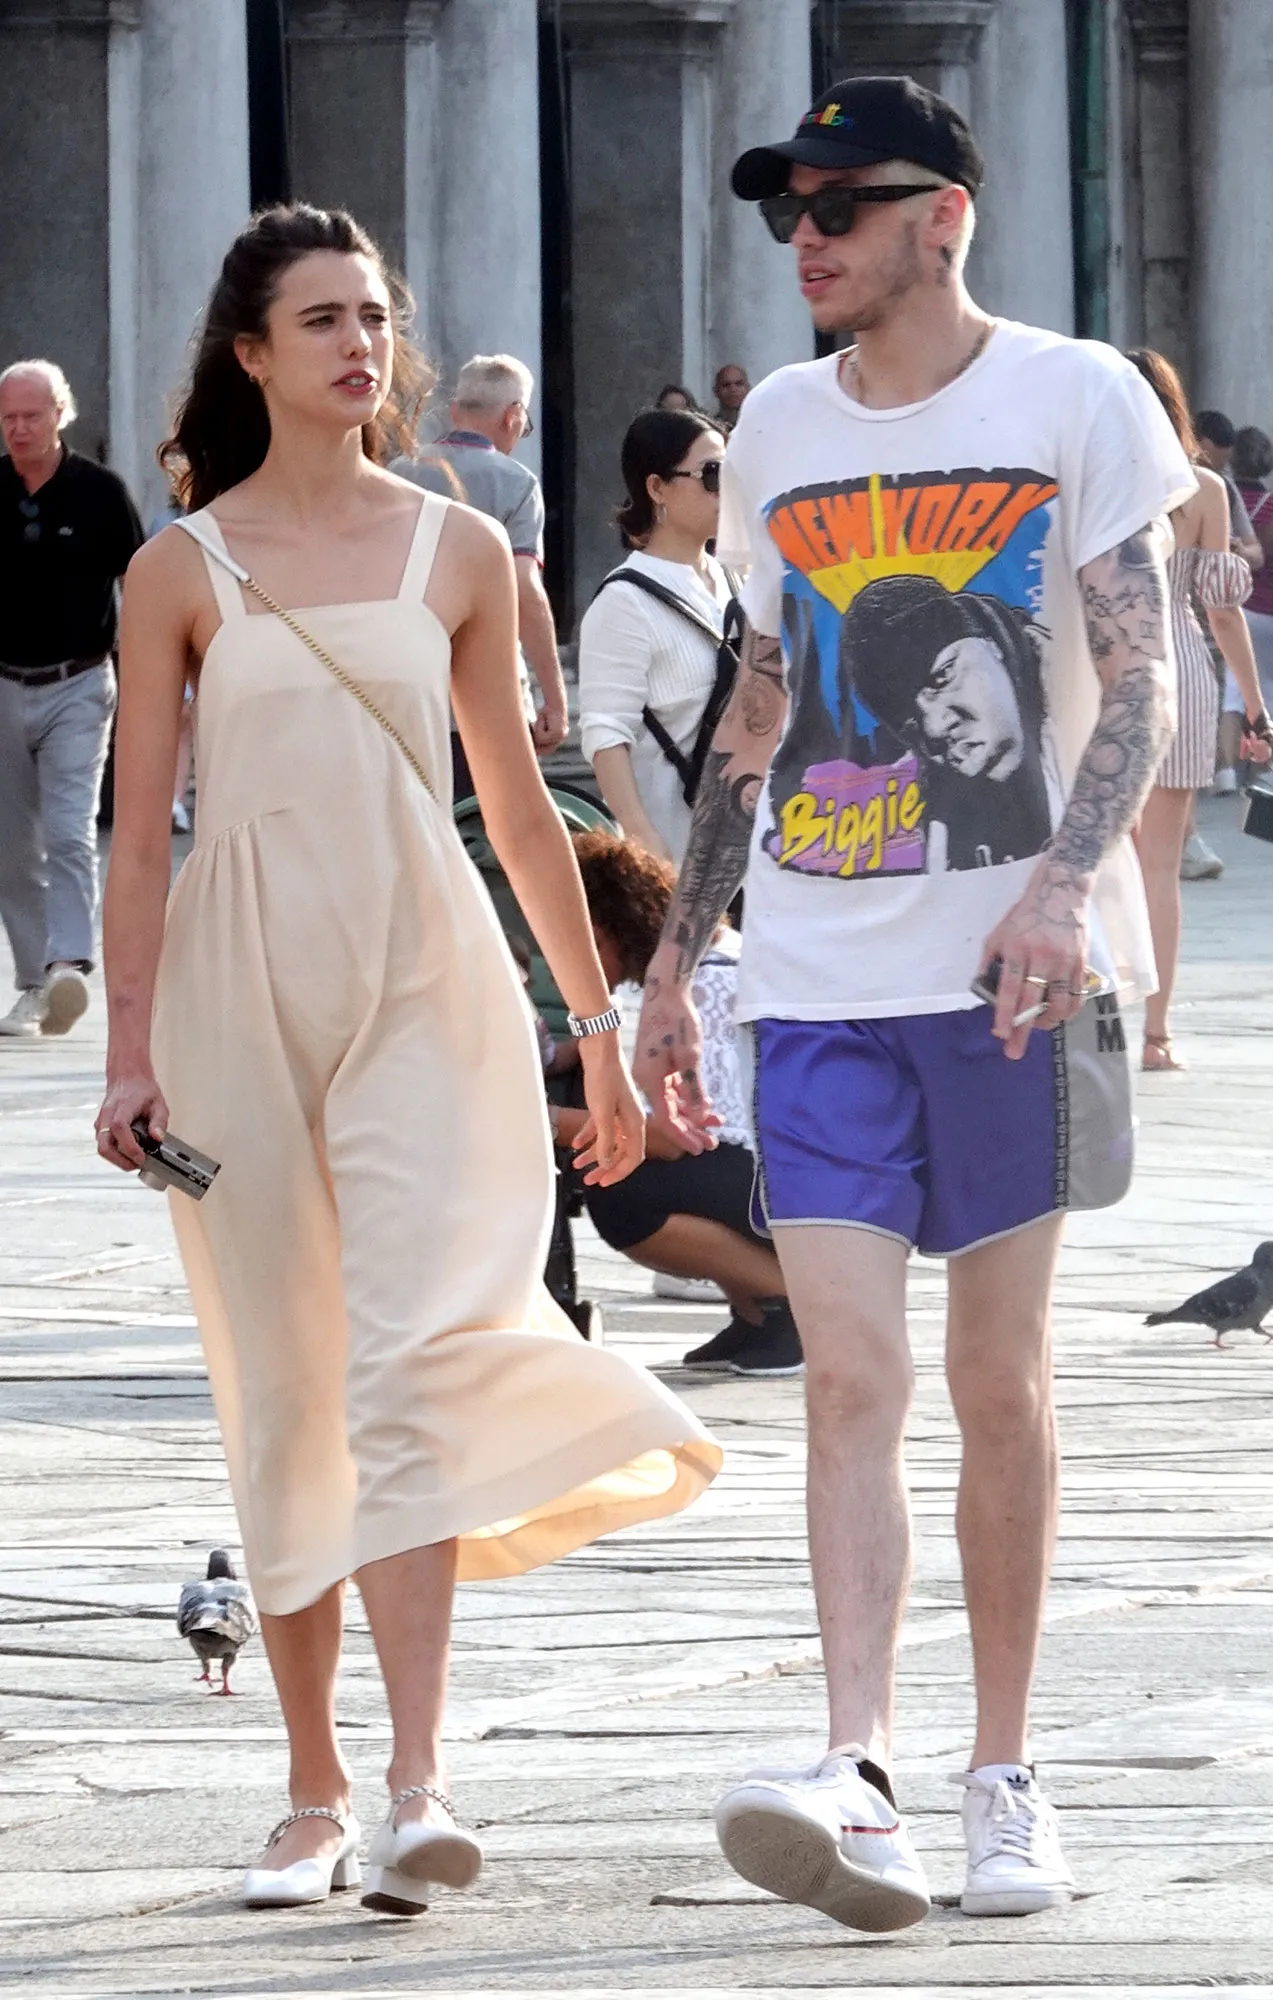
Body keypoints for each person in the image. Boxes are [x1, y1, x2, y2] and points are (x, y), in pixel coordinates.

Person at [94, 203, 719, 1917]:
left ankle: (421, 1781)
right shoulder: (174, 570)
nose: (359, 344)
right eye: (320, 320)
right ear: (250, 352)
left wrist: (594, 1031)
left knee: (409, 1357)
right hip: (236, 990)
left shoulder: (457, 547)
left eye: (372, 315)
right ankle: (311, 1793)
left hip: (424, 978)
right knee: (285, 1378)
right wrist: (127, 1053)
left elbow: (517, 806)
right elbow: (135, 839)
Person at [634, 73, 1198, 1934]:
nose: (803, 237)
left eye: (840, 205)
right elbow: (757, 705)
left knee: (994, 1381)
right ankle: (857, 1765)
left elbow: (1136, 679)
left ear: (939, 216)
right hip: (814, 973)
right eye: (785, 208)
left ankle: (1002, 1772)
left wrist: (1059, 890)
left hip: (1010, 983)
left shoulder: (1074, 395)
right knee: (850, 1374)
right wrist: (675, 959)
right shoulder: (780, 425)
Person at [558, 831, 802, 1377]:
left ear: (605, 928)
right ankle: (755, 1315)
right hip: (766, 1163)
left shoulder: (703, 984)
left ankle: (795, 1304)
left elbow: (674, 1138)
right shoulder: (690, 965)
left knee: (621, 1191)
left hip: (781, 1172)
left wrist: (544, 1121)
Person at [1127, 352, 1271, 1066]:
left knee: (1095, 861)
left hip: (1096, 668)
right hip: (1179, 666)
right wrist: (1256, 708)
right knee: (1160, 867)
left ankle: (1086, 1025)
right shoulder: (1204, 487)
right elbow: (1220, 612)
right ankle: (1155, 1036)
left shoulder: (1078, 479)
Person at [0, 359, 143, 1038]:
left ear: (61, 414)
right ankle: (34, 983)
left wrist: (151, 676)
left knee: (67, 829)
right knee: (10, 844)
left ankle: (68, 966)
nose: (19, 429)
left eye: (31, 415)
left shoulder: (100, 493)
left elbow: (140, 584)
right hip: (4, 684)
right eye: (8, 418)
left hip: (80, 683)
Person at [393, 354, 568, 776]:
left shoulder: (398, 473)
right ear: (513, 416)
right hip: (490, 699)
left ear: (455, 411)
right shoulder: (517, 483)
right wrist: (554, 696)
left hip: (403, 692)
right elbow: (525, 588)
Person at [578, 410, 731, 864]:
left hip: (756, 851)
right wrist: (641, 836)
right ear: (657, 488)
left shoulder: (737, 580)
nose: (727, 489)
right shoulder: (624, 601)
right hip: (678, 855)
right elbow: (606, 732)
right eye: (711, 474)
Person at [1233, 425, 1273, 714]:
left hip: (1232, 604)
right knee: (1267, 690)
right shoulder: (1269, 505)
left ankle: (1230, 750)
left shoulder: (1221, 496)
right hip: (1266, 608)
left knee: (1234, 692)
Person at [712, 363, 751, 432]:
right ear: (716, 391)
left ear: (748, 388)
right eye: (726, 385)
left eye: (738, 384)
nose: (733, 389)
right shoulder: (709, 428)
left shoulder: (761, 421)